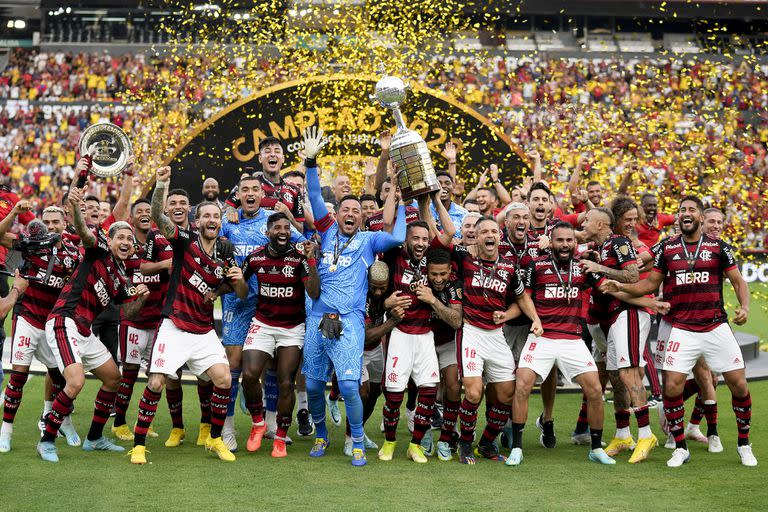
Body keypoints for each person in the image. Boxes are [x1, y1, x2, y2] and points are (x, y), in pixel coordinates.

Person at [600, 195, 757, 467]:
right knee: (671, 388)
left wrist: (744, 307)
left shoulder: (719, 247)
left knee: (739, 384)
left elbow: (738, 281)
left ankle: (744, 444)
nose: (686, 213)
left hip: (715, 325)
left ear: (699, 216)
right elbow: (649, 284)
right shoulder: (667, 248)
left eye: (691, 210)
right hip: (681, 329)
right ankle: (680, 447)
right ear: (678, 216)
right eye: (682, 209)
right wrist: (621, 287)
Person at [300, 126, 406, 467]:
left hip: (349, 322)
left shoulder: (370, 241)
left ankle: (356, 439)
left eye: (354, 211)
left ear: (362, 217)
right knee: (315, 388)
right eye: (344, 210)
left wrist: (401, 205)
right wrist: (311, 162)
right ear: (337, 215)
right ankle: (319, 434)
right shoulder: (327, 231)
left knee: (348, 387)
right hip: (318, 320)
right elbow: (315, 197)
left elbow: (399, 236)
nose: (348, 214)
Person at [129, 165, 248, 465]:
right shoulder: (184, 242)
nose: (211, 220)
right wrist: (161, 184)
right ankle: (139, 444)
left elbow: (241, 293)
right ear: (197, 221)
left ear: (221, 222)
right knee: (156, 382)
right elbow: (158, 215)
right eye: (206, 216)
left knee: (223, 379)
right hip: (175, 326)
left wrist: (235, 282)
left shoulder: (225, 251)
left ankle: (216, 439)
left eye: (215, 217)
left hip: (204, 330)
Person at [39, 185, 149, 463]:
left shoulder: (121, 276)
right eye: (120, 237)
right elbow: (84, 231)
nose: (126, 241)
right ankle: (47, 439)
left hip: (84, 330)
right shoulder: (97, 251)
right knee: (74, 382)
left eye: (129, 239)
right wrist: (76, 207)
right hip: (64, 320)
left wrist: (142, 298)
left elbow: (130, 313)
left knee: (113, 378)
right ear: (109, 241)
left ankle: (95, 438)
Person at [436, 217, 543, 464]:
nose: (489, 235)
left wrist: (534, 319)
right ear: (478, 237)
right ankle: (464, 444)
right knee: (473, 393)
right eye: (483, 231)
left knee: (506, 393)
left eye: (493, 231)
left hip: (496, 335)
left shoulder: (509, 267)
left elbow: (522, 298)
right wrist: (428, 201)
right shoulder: (465, 258)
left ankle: (485, 443)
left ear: (500, 236)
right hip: (471, 332)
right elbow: (441, 239)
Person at [508, 221, 615, 466]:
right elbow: (523, 296)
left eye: (569, 240)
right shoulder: (537, 266)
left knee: (596, 390)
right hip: (542, 337)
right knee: (522, 385)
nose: (565, 244)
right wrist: (523, 318)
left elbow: (606, 286)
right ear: (551, 242)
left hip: (572, 339)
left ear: (575, 243)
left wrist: (601, 267)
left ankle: (596, 448)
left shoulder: (583, 267)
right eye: (559, 240)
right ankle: (516, 447)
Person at [218, 174, 304, 450]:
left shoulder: (272, 220)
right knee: (233, 365)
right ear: (239, 195)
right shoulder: (228, 222)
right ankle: (228, 428)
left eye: (255, 188)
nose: (251, 193)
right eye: (245, 190)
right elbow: (212, 249)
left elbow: (302, 243)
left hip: (271, 301)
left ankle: (270, 424)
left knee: (273, 365)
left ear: (261, 192)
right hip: (237, 301)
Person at [378, 193, 455, 464]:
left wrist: (432, 200)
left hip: (425, 335)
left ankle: (416, 445)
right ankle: (389, 442)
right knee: (395, 395)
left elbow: (450, 231)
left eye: (424, 238)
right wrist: (387, 302)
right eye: (416, 238)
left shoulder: (433, 257)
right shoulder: (395, 254)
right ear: (407, 240)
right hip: (400, 333)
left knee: (428, 391)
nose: (421, 243)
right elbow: (389, 226)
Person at [235, 213, 319, 458]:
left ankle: (280, 436)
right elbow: (239, 287)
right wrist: (220, 288)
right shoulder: (256, 257)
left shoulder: (299, 258)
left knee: (285, 383)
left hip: (292, 329)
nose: (283, 231)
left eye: (287, 227)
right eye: (277, 227)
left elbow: (313, 292)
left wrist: (311, 261)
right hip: (262, 324)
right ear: (267, 232)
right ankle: (258, 423)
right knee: (249, 376)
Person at [0, 206, 82, 452]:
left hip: (53, 323)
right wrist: (14, 213)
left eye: (56, 221)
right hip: (26, 317)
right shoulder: (30, 244)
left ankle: (64, 422)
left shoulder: (73, 254)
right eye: (46, 221)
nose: (51, 226)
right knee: (18, 377)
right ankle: (6, 430)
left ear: (64, 224)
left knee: (61, 378)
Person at [580, 207, 657, 464]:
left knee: (628, 372)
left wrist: (600, 268)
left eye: (588, 220)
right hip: (613, 317)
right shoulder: (600, 247)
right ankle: (623, 434)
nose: (584, 222)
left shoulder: (619, 242)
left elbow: (633, 274)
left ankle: (646, 434)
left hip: (629, 312)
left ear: (601, 225)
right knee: (615, 374)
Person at [110, 199, 173, 442]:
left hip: (158, 321)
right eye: (140, 212)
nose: (145, 214)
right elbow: (129, 272)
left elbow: (171, 266)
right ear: (132, 219)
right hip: (134, 321)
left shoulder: (162, 243)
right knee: (130, 373)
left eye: (149, 211)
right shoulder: (124, 245)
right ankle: (119, 422)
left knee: (156, 374)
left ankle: (144, 421)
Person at [416, 247, 463, 461]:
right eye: (433, 274)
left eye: (442, 274)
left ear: (450, 270)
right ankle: (424, 433)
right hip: (423, 339)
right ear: (426, 271)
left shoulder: (454, 284)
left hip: (448, 341)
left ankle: (446, 438)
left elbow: (456, 320)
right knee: (426, 388)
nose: (438, 278)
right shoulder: (417, 282)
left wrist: (433, 301)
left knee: (453, 385)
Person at [431, 172, 467, 239]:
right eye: (439, 183)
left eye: (447, 183)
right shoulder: (426, 210)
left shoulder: (463, 213)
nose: (443, 186)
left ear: (453, 187)